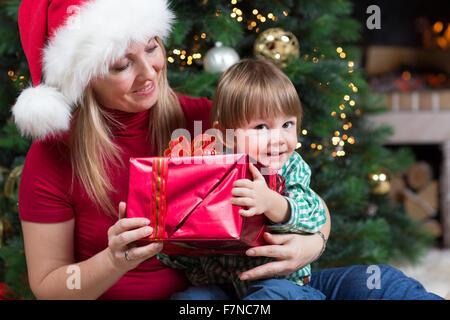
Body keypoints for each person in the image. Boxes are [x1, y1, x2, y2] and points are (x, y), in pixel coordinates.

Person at [12, 0, 443, 300]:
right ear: (84, 77)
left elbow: (300, 190)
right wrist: (112, 260)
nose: (149, 72)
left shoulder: (209, 121)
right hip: (207, 296)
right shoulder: (54, 159)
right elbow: (50, 286)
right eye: (122, 64)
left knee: (383, 283)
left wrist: (312, 244)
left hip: (263, 283)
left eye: (152, 47)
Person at [159, 58, 327, 300]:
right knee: (192, 299)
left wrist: (272, 203)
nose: (279, 138)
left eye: (287, 124)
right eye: (261, 127)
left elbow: (314, 214)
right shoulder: (216, 170)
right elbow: (189, 242)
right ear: (226, 135)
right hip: (223, 285)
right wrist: (174, 236)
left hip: (284, 285)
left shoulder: (292, 167)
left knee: (270, 295)